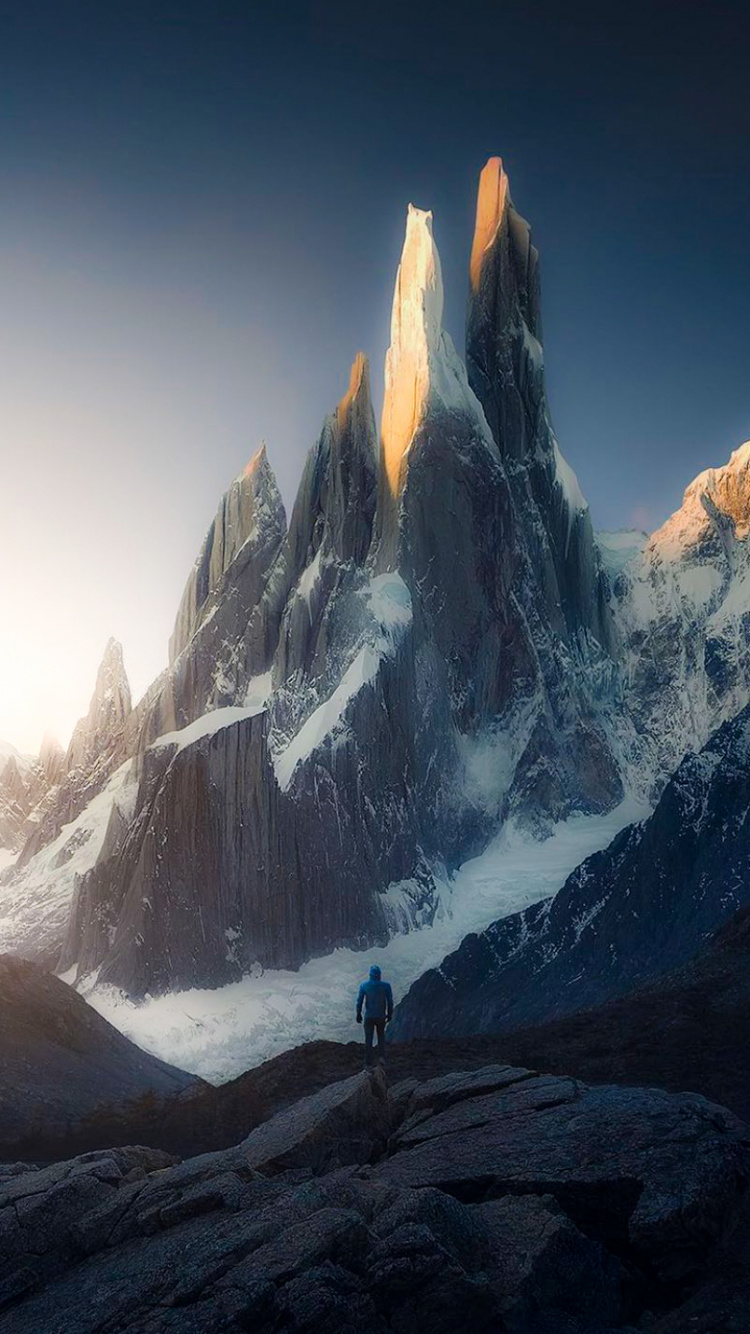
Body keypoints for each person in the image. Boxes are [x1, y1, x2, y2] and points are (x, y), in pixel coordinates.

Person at [356, 964, 393, 1068]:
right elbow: (390, 1002)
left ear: (370, 975)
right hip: (381, 1017)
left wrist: (358, 1014)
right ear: (379, 975)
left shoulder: (364, 986)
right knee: (381, 1037)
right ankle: (381, 1058)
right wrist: (390, 1014)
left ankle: (368, 1063)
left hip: (369, 1017)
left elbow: (359, 1001)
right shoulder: (386, 986)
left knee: (368, 1039)